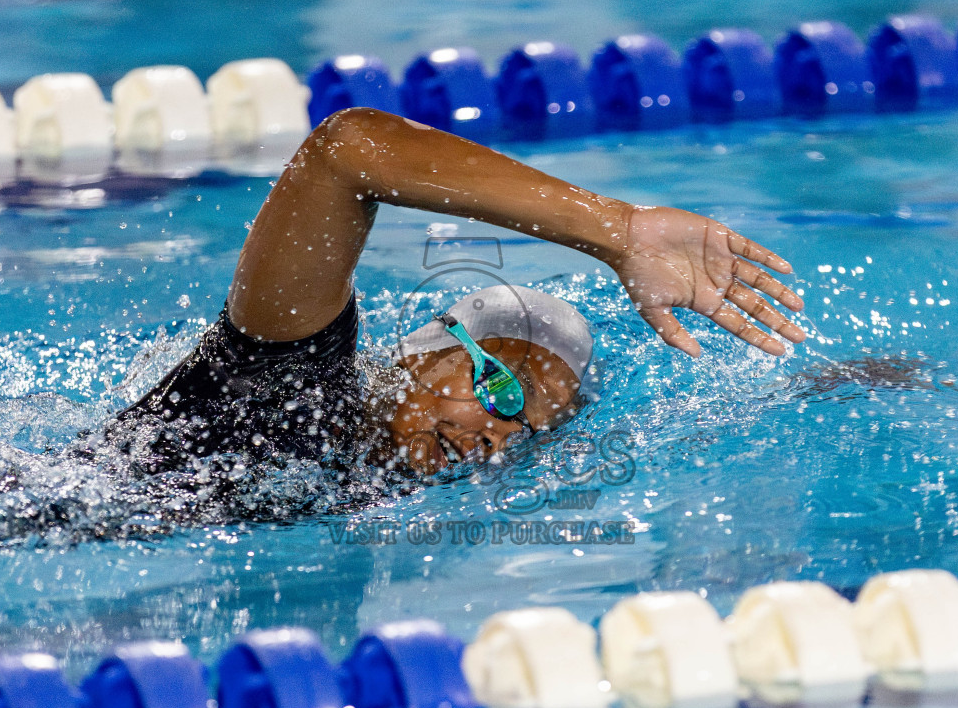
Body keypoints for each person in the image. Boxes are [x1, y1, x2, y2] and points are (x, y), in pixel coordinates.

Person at [110, 106, 807, 476]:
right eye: (502, 391)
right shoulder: (288, 384)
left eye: (528, 430)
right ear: (423, 355)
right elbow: (346, 151)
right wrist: (617, 230)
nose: (500, 435)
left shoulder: (384, 487)